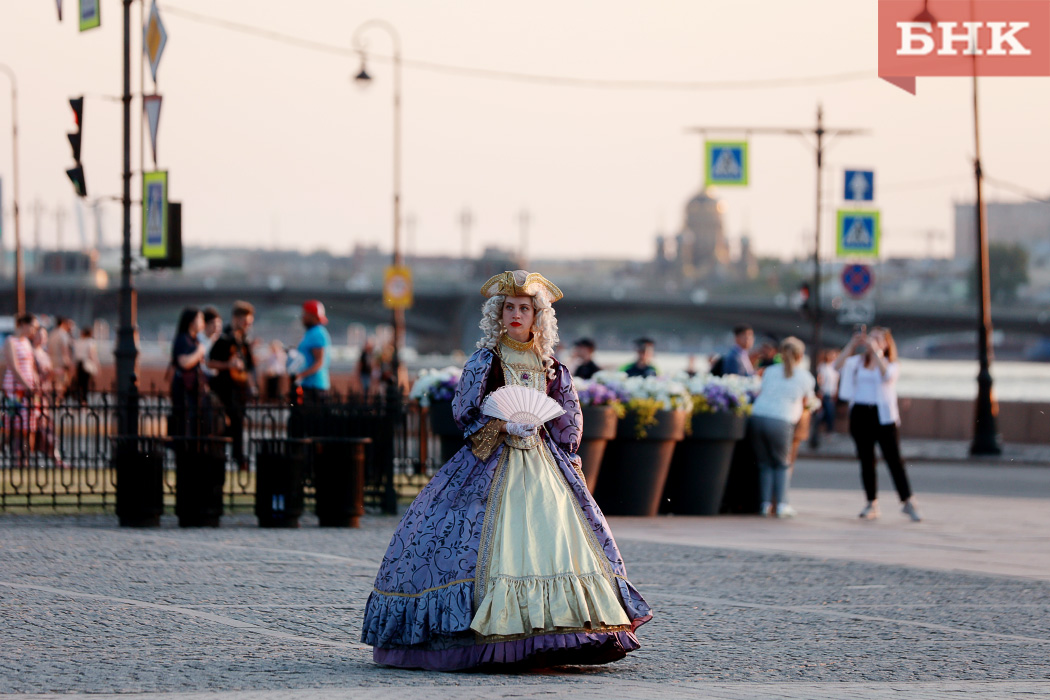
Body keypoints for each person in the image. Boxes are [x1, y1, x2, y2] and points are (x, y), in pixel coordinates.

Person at [361, 270, 651, 670]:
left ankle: (548, 634)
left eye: (525, 308)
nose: (516, 314)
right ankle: (485, 635)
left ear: (538, 316)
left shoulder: (551, 368)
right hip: (491, 460)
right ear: (499, 314)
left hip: (542, 462)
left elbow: (568, 419)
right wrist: (501, 424)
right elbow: (465, 411)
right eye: (510, 307)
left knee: (555, 537)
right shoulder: (486, 360)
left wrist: (559, 442)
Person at [835, 326, 922, 522]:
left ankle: (907, 501)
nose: (871, 342)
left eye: (877, 339)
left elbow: (887, 376)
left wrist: (876, 353)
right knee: (866, 460)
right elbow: (836, 366)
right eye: (870, 339)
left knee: (894, 460)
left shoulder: (891, 364)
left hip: (883, 416)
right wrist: (852, 344)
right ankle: (871, 502)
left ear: (885, 344)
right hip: (860, 413)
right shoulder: (856, 362)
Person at [748, 337, 816, 518]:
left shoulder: (769, 371)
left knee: (765, 464)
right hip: (781, 420)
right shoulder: (805, 377)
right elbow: (806, 402)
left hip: (758, 416)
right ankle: (782, 505)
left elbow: (760, 391)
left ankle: (765, 504)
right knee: (782, 464)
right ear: (800, 355)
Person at [208, 301, 256, 472]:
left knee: (237, 426)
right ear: (236, 319)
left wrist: (252, 388)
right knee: (225, 426)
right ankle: (226, 459)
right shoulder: (224, 339)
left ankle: (238, 459)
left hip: (239, 392)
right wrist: (228, 365)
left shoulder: (243, 340)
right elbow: (209, 363)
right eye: (245, 322)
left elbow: (249, 366)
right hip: (224, 391)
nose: (247, 326)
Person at [3, 314, 41, 456]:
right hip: (15, 387)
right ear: (24, 324)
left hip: (27, 385)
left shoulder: (26, 342)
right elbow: (14, 367)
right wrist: (26, 385)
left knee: (28, 424)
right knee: (14, 424)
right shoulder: (10, 341)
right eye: (33, 327)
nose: (34, 330)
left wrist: (35, 381)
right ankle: (16, 454)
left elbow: (30, 365)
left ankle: (25, 454)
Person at [170, 308, 210, 438]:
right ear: (191, 322)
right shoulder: (183, 339)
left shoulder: (194, 340)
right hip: (184, 389)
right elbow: (183, 362)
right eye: (200, 319)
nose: (203, 322)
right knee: (184, 424)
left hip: (193, 389)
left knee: (194, 424)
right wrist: (199, 351)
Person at [295, 300, 331, 403]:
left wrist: (301, 375)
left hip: (315, 387)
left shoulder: (317, 333)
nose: (303, 317)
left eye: (305, 314)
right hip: (309, 385)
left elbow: (320, 361)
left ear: (313, 316)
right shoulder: (311, 333)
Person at [809, 349, 840, 447]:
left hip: (831, 394)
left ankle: (828, 433)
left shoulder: (834, 367)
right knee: (822, 414)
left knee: (830, 414)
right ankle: (816, 434)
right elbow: (820, 380)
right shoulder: (822, 367)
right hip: (824, 394)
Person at [48, 317, 75, 399]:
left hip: (51, 361)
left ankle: (54, 400)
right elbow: (65, 351)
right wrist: (69, 364)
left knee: (53, 383)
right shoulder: (63, 334)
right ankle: (58, 400)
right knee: (61, 383)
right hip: (61, 362)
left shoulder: (52, 333)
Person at [72, 328, 100, 404]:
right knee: (85, 383)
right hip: (86, 363)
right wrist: (96, 364)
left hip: (79, 363)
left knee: (80, 382)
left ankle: (79, 398)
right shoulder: (90, 342)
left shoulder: (78, 342)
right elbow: (92, 354)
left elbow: (75, 354)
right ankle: (84, 399)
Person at [199, 307, 223, 379]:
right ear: (205, 324)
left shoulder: (217, 340)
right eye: (213, 323)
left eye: (219, 324)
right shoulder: (198, 339)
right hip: (202, 376)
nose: (216, 327)